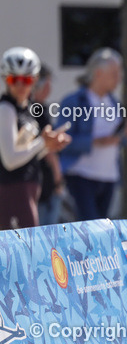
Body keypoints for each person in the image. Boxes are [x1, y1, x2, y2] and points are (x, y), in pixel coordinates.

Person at [0, 48, 70, 229]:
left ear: (35, 80)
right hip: (12, 190)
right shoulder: (6, 109)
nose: (20, 85)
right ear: (5, 79)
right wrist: (42, 143)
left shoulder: (27, 108)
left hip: (27, 189)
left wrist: (49, 146)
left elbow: (25, 155)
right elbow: (10, 160)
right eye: (13, 79)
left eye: (26, 80)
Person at [58, 48, 127, 221]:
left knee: (101, 226)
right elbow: (61, 140)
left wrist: (124, 135)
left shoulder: (114, 102)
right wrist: (95, 142)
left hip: (109, 177)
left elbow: (120, 141)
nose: (118, 78)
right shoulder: (74, 102)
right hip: (81, 176)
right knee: (89, 227)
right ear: (98, 73)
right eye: (114, 73)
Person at [29, 65, 68, 226]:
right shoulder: (35, 110)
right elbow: (48, 149)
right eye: (47, 83)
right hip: (41, 186)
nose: (49, 88)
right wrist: (58, 181)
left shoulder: (32, 109)